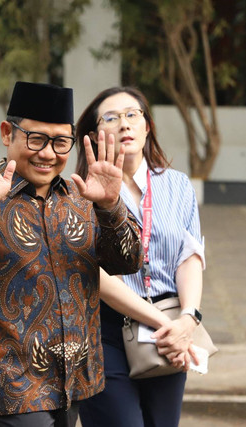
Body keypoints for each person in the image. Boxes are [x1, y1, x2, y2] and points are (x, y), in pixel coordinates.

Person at [0, 81, 178, 427]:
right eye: (36, 139)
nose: (47, 154)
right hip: (13, 385)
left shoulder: (82, 197)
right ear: (8, 133)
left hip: (75, 380)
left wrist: (111, 207)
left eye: (60, 142)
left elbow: (127, 262)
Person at [75, 87, 206, 427]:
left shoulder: (178, 185)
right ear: (93, 135)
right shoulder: (81, 193)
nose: (124, 124)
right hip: (107, 329)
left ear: (147, 127)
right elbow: (97, 276)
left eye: (133, 115)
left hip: (168, 328)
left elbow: (189, 256)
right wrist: (166, 325)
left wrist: (188, 319)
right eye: (112, 117)